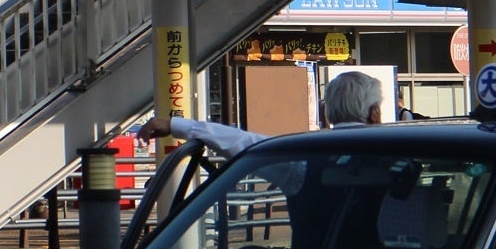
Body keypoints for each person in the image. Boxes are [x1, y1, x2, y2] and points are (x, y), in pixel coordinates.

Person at [137, 70, 385, 159]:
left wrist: (175, 125)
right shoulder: (396, 159)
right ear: (374, 114)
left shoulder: (306, 158)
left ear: (326, 111)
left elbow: (244, 142)